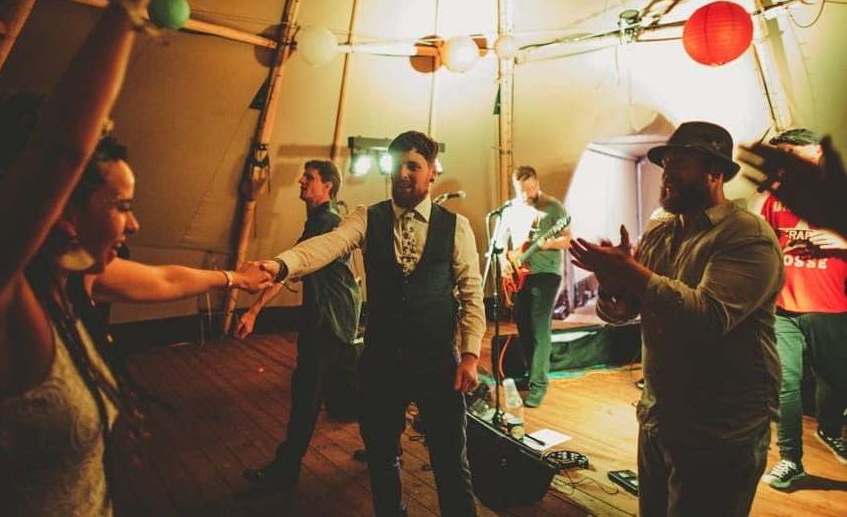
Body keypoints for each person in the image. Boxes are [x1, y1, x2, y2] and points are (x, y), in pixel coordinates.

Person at [0, 0, 267, 514]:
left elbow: (165, 281)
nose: (135, 223)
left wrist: (234, 279)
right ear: (62, 209)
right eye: (120, 205)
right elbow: (63, 149)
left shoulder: (68, 276)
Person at [257, 131, 486, 517]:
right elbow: (327, 245)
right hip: (381, 363)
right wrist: (282, 265)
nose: (402, 173)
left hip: (438, 364)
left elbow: (471, 294)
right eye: (395, 165)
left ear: (431, 173)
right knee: (382, 461)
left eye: (413, 165)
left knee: (451, 464)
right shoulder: (367, 217)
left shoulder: (456, 227)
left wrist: (470, 353)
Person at [568, 121, 784, 517]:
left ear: (715, 173)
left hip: (720, 429)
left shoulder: (747, 235)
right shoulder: (661, 229)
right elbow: (623, 312)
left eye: (679, 162)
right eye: (664, 163)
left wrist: (632, 273)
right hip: (660, 417)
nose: (666, 173)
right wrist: (612, 285)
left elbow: (707, 318)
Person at [237, 160, 363, 486]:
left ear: (328, 187)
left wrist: (253, 311)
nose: (301, 181)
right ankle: (387, 445)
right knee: (353, 389)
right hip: (340, 319)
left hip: (327, 322)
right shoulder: (321, 221)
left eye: (310, 178)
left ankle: (286, 468)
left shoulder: (326, 222)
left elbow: (288, 268)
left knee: (307, 392)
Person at [756, 128, 847, 489]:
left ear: (817, 152)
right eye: (782, 154)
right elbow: (763, 244)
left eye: (794, 152)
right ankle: (790, 458)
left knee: (836, 379)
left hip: (829, 305)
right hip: (783, 307)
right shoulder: (775, 199)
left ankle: (828, 430)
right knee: (785, 384)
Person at [496, 165, 571, 408]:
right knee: (525, 327)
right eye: (522, 190)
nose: (527, 194)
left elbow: (568, 239)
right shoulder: (510, 209)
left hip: (546, 274)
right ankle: (531, 376)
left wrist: (551, 244)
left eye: (531, 189)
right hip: (519, 275)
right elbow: (499, 242)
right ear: (515, 187)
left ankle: (539, 386)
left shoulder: (552, 207)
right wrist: (503, 264)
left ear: (537, 184)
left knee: (539, 329)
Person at [739, 134, 847, 238]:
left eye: (791, 150)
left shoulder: (834, 195)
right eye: (781, 152)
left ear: (818, 150)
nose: (787, 157)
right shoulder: (776, 195)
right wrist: (762, 192)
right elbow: (750, 230)